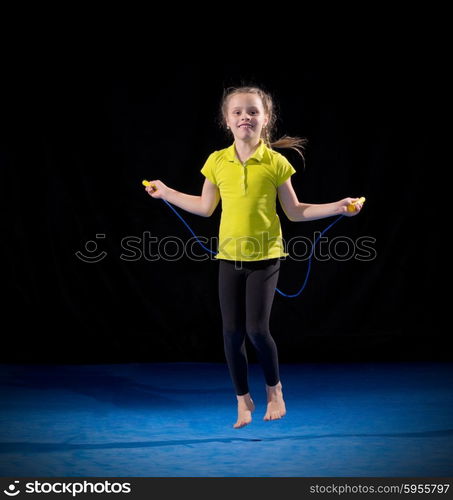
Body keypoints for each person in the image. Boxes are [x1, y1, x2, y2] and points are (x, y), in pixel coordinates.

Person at [145, 86, 363, 429]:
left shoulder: (276, 162)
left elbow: (294, 212)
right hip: (229, 257)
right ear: (226, 120)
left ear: (266, 118)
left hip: (266, 257)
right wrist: (166, 192)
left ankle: (274, 391)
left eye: (252, 111)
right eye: (237, 112)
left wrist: (339, 207)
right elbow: (204, 208)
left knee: (257, 330)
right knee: (231, 332)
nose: (245, 117)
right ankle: (242, 400)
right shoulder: (217, 161)